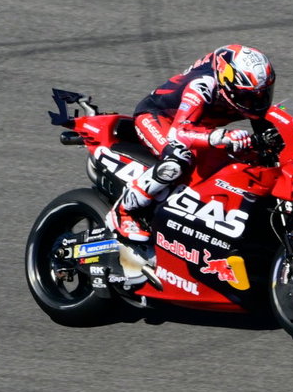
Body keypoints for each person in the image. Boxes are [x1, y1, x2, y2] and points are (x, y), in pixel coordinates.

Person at [110, 43, 276, 246]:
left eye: (262, 95)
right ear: (227, 83)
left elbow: (271, 130)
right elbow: (179, 133)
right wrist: (223, 136)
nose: (256, 103)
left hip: (197, 125)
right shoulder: (202, 86)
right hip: (159, 118)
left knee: (255, 158)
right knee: (178, 158)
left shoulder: (247, 92)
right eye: (247, 97)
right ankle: (124, 211)